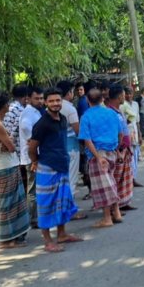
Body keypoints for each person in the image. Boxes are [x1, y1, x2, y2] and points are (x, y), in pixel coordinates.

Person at [28, 88, 83, 253]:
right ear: (45, 102)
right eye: (51, 101)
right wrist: (35, 162)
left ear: (62, 102)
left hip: (62, 166)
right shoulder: (42, 124)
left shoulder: (63, 119)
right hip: (47, 168)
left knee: (63, 202)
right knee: (46, 204)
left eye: (58, 100)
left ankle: (62, 234)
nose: (55, 103)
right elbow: (32, 147)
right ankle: (47, 241)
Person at [0, 91, 31, 249]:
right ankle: (5, 239)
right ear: (6, 106)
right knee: (9, 202)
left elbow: (7, 145)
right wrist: (8, 140)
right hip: (4, 166)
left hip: (4, 164)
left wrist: (7, 141)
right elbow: (10, 147)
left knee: (13, 201)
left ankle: (14, 235)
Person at [78, 87, 124, 228]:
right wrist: (117, 149)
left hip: (98, 154)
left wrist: (97, 156)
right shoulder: (112, 113)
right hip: (111, 152)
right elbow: (121, 133)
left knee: (103, 186)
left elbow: (86, 139)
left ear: (87, 100)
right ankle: (116, 212)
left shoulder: (86, 116)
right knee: (110, 182)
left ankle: (106, 218)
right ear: (102, 99)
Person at [57, 80, 87, 220]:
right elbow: (78, 130)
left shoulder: (53, 106)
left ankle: (63, 207)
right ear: (69, 92)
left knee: (62, 179)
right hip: (71, 147)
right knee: (72, 178)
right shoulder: (69, 108)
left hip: (58, 148)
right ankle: (71, 209)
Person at [107, 85, 136, 211]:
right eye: (123, 95)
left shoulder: (118, 111)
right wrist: (118, 149)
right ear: (119, 96)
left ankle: (124, 202)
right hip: (118, 150)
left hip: (125, 149)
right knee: (117, 178)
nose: (124, 98)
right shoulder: (111, 112)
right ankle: (116, 206)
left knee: (126, 177)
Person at [18, 86, 44, 228]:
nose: (40, 101)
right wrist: (32, 140)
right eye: (37, 98)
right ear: (28, 99)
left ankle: (34, 217)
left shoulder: (35, 112)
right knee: (33, 190)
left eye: (41, 98)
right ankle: (30, 219)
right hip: (31, 157)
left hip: (34, 155)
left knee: (35, 188)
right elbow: (25, 127)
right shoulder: (28, 113)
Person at [4, 83, 29, 149]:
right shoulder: (21, 111)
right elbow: (15, 131)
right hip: (17, 146)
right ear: (26, 97)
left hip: (6, 142)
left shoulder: (8, 107)